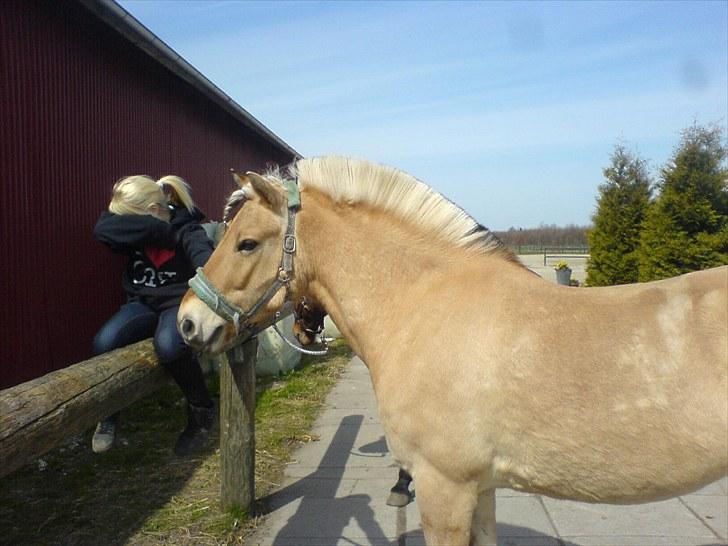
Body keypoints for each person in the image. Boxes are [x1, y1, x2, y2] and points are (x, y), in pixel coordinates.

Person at [91, 175, 215, 456]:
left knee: (170, 347)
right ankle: (108, 413)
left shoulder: (188, 229)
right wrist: (157, 230)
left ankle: (201, 412)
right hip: (142, 303)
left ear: (153, 211)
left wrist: (176, 234)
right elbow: (103, 229)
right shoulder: (140, 228)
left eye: (132, 220)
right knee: (104, 342)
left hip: (177, 303)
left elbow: (206, 260)